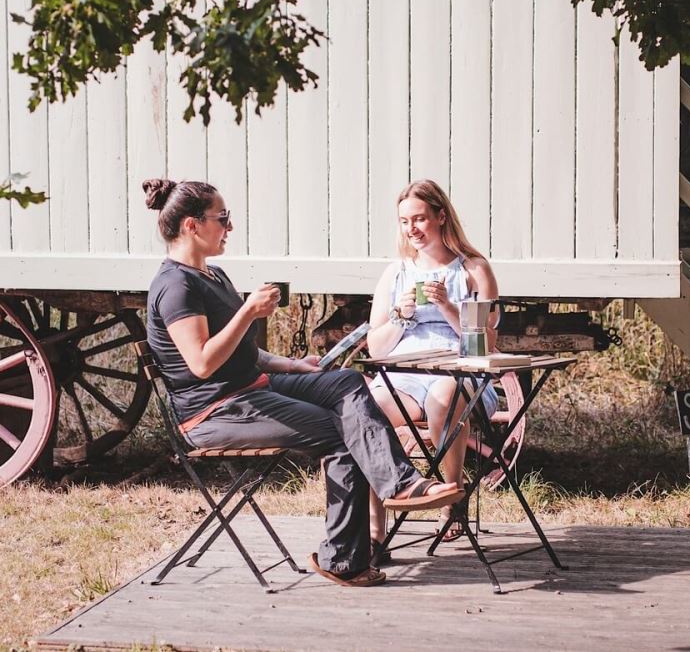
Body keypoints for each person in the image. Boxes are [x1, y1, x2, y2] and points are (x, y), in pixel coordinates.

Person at [141, 177, 465, 588]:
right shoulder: (174, 287)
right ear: (192, 225)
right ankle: (345, 559)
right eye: (222, 218)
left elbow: (245, 353)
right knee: (342, 434)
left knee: (345, 381)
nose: (230, 227)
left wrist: (295, 365)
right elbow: (203, 363)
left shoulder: (213, 275)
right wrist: (247, 314)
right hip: (217, 410)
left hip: (252, 388)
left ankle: (400, 484)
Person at [364, 179, 501, 559]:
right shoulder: (396, 273)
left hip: (460, 370)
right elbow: (376, 346)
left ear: (441, 216)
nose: (412, 229)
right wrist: (401, 315)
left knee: (444, 398)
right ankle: (376, 533)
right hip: (405, 371)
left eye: (420, 219)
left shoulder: (473, 270)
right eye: (405, 221)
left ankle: (450, 498)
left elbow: (486, 343)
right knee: (366, 411)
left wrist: (446, 307)